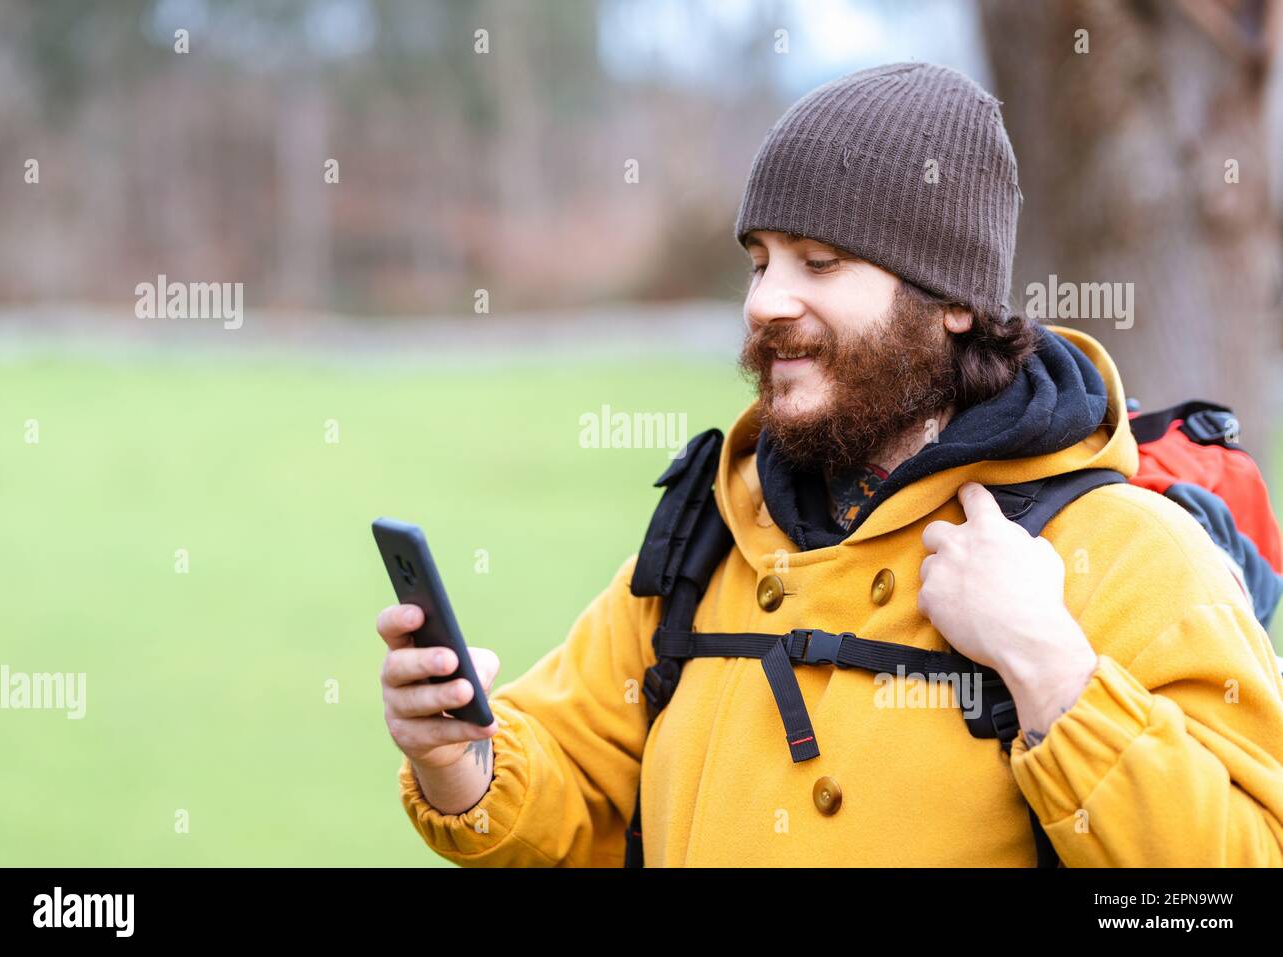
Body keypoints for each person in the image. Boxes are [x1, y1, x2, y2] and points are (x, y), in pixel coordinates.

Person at [376, 62, 1283, 866]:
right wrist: (459, 761)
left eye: (820, 262)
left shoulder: (1127, 553)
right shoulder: (709, 537)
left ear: (953, 302)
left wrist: (1049, 666)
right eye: (760, 261)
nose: (767, 301)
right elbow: (574, 800)